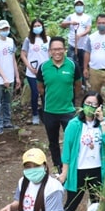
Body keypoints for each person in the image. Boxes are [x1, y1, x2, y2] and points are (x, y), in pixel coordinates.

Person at [60, 92, 105, 211]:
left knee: (96, 203)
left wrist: (102, 120)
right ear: (82, 105)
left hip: (97, 169)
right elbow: (67, 150)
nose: (90, 107)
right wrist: (64, 172)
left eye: (94, 104)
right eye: (88, 103)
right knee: (71, 203)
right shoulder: (74, 124)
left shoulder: (102, 124)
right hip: (79, 170)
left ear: (99, 107)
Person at [37, 37, 82, 175]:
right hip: (50, 110)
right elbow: (41, 88)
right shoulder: (43, 67)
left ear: (64, 49)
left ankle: (72, 165)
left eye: (60, 49)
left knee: (72, 140)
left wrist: (71, 100)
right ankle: (58, 165)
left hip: (68, 110)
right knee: (53, 141)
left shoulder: (73, 65)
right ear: (50, 51)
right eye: (54, 49)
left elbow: (78, 86)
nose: (57, 52)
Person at [0, 19, 22, 134]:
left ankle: (7, 122)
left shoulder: (10, 41)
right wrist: (4, 78)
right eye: (3, 29)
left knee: (8, 101)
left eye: (7, 28)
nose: (5, 30)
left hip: (10, 77)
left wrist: (17, 76)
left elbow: (13, 60)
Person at [20, 18, 50, 125]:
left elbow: (50, 55)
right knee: (35, 93)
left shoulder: (48, 40)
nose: (37, 28)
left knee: (45, 93)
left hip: (45, 72)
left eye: (39, 26)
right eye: (35, 26)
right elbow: (23, 55)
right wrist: (30, 67)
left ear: (42, 27)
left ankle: (47, 114)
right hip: (32, 72)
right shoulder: (28, 40)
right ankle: (35, 114)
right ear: (32, 28)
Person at [60, 0, 92, 73]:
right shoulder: (71, 16)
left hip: (83, 45)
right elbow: (62, 24)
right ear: (74, 7)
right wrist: (70, 22)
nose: (79, 7)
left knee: (83, 64)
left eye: (80, 5)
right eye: (77, 5)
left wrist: (80, 35)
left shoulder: (87, 17)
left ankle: (83, 81)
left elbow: (88, 29)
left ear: (83, 6)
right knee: (71, 63)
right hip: (72, 44)